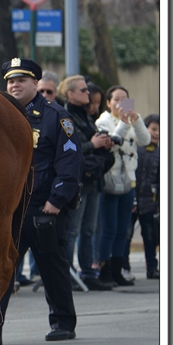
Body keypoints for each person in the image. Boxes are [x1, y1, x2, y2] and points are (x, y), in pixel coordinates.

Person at [0, 58, 83, 343]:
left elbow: (69, 161)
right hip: (8, 208)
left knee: (51, 267)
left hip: (43, 206)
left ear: (35, 83)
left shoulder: (57, 117)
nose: (14, 85)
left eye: (21, 80)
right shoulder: (0, 115)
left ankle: (63, 323)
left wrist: (57, 199)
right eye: (10, 81)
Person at [57, 75, 115, 291]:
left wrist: (103, 143)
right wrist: (92, 144)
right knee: (72, 230)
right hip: (78, 181)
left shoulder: (86, 116)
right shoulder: (65, 116)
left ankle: (88, 272)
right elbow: (68, 148)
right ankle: (66, 274)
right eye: (83, 90)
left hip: (93, 179)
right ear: (70, 94)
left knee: (89, 230)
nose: (88, 93)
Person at [95, 85, 151, 286]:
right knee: (108, 228)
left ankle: (117, 271)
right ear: (108, 103)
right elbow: (111, 144)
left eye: (124, 99)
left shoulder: (132, 120)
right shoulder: (103, 121)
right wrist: (124, 123)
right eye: (116, 100)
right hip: (110, 181)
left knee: (123, 230)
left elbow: (145, 140)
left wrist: (136, 120)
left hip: (129, 180)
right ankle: (104, 271)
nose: (120, 104)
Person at [135, 114, 160, 279]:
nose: (157, 133)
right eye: (154, 129)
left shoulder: (160, 153)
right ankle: (123, 267)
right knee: (126, 234)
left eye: (160, 130)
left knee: (150, 236)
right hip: (133, 199)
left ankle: (152, 267)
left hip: (151, 201)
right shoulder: (136, 148)